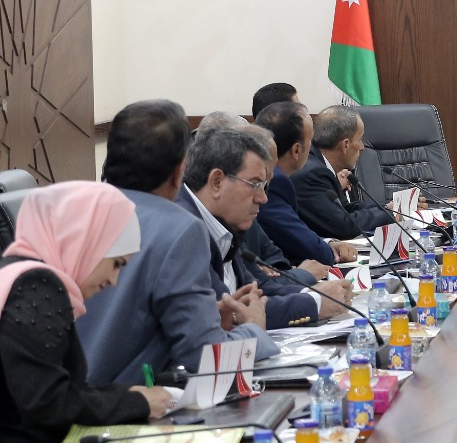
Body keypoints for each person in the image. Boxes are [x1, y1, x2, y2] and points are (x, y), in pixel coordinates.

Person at [79, 101, 278, 387]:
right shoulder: (180, 228)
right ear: (179, 170)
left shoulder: (76, 211)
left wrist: (207, 318)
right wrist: (254, 330)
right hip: (123, 404)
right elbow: (209, 360)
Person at [0, 182, 173, 443]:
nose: (114, 281)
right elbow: (48, 403)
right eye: (116, 264)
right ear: (84, 242)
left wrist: (123, 394)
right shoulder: (37, 284)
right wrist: (136, 403)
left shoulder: (19, 274)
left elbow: (56, 387)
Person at [179, 126, 352, 330]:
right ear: (217, 182)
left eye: (264, 186)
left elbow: (258, 289)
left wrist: (319, 294)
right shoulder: (183, 230)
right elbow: (229, 312)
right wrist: (317, 303)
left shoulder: (221, 222)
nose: (263, 198)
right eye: (255, 185)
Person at [254, 102, 358, 268]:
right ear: (296, 150)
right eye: (310, 141)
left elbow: (295, 233)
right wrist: (328, 251)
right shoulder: (274, 182)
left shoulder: (278, 178)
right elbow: (298, 239)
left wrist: (328, 243)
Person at [291, 105, 396, 239]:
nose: (362, 147)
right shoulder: (313, 173)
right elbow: (343, 226)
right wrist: (389, 213)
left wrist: (387, 207)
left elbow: (344, 209)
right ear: (345, 145)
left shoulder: (318, 162)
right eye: (359, 139)